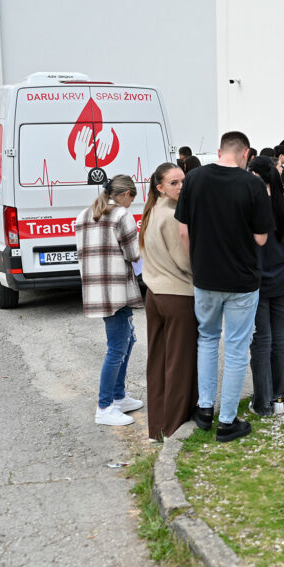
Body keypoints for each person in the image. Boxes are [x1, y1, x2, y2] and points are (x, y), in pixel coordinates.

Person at [175, 131, 273, 443]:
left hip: (205, 276)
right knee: (235, 348)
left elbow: (183, 232)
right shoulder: (253, 184)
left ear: (219, 152)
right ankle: (227, 421)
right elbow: (261, 238)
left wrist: (196, 264)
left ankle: (205, 410)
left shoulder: (194, 179)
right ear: (246, 154)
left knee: (206, 339)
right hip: (241, 279)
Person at [75, 174, 144, 427]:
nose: (131, 203)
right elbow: (133, 253)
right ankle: (105, 406)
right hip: (117, 288)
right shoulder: (122, 215)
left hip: (96, 288)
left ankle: (118, 396)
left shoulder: (84, 215)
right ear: (126, 194)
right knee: (117, 347)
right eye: (132, 198)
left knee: (127, 340)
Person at [138, 162, 197, 441]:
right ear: (160, 187)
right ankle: (175, 428)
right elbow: (185, 261)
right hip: (177, 296)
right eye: (174, 183)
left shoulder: (150, 212)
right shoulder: (173, 215)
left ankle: (157, 428)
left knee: (159, 362)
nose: (181, 187)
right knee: (179, 365)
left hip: (155, 294)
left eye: (183, 181)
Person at [247, 156, 284, 415]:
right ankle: (281, 399)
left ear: (255, 176)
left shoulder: (249, 205)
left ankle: (263, 402)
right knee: (281, 342)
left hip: (256, 281)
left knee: (261, 342)